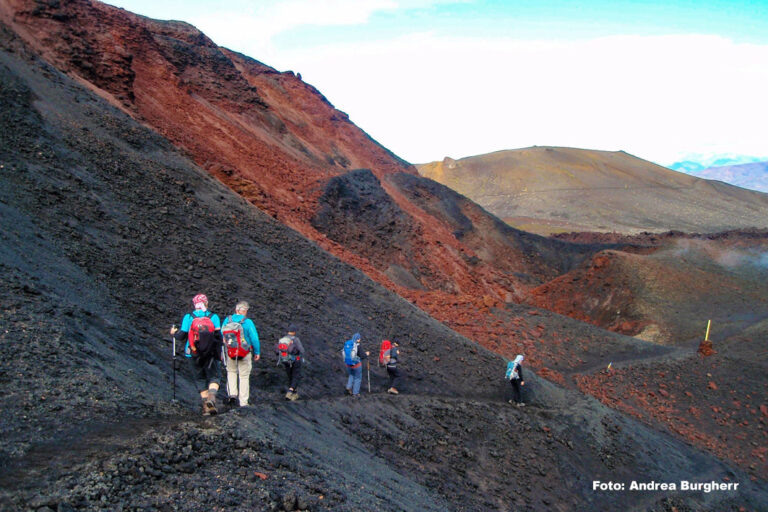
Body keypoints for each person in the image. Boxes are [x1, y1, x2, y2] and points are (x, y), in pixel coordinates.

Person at [170, 294, 222, 415]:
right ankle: (211, 399)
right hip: (210, 354)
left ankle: (206, 408)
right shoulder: (213, 317)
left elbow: (181, 336)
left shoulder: (189, 317)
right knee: (214, 377)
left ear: (194, 304)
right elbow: (219, 337)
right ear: (206, 303)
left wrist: (173, 333)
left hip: (192, 353)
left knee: (200, 378)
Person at [222, 301, 260, 407]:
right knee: (244, 376)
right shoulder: (247, 322)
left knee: (231, 372)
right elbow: (254, 338)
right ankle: (243, 402)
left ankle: (232, 395)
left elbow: (222, 335)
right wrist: (257, 352)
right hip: (245, 352)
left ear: (236, 310)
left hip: (230, 352)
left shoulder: (227, 320)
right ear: (245, 311)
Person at [275, 324, 304, 401]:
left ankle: (294, 395)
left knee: (290, 376)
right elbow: (301, 350)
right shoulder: (296, 339)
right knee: (296, 376)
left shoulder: (283, 339)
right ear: (294, 332)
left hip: (285, 360)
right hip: (295, 360)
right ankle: (290, 391)